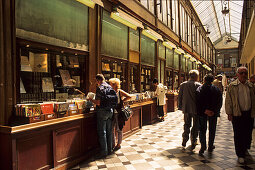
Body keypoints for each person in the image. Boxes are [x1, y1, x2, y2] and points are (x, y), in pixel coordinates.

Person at [225, 67, 255, 164]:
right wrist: (229, 113)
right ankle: (240, 154)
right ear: (237, 74)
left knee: (248, 133)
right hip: (237, 113)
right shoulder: (232, 86)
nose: (243, 75)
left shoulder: (251, 86)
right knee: (238, 134)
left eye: (245, 73)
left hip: (249, 113)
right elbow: (228, 100)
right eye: (241, 73)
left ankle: (245, 148)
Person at [89, 74, 118, 158]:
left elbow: (98, 102)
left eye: (96, 82)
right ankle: (110, 149)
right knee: (109, 131)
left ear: (98, 81)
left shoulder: (100, 88)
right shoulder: (109, 86)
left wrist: (91, 99)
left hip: (102, 112)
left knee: (102, 132)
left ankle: (104, 152)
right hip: (110, 111)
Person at [196, 74, 223, 155]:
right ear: (212, 80)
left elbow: (197, 102)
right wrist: (214, 111)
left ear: (204, 80)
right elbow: (220, 102)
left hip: (202, 113)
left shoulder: (200, 89)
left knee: (202, 130)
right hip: (213, 113)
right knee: (212, 129)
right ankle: (210, 146)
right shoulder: (216, 89)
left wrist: (204, 110)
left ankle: (203, 146)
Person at [178, 70, 201, 150]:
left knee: (187, 124)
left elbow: (180, 97)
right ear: (195, 76)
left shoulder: (183, 85)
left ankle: (184, 139)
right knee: (195, 125)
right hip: (196, 109)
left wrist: (180, 106)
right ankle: (193, 140)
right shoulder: (198, 85)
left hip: (186, 108)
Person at [109, 78, 131, 151]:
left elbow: (129, 96)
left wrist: (122, 101)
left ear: (115, 85)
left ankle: (118, 144)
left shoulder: (119, 92)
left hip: (119, 113)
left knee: (119, 129)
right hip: (112, 113)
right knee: (111, 129)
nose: (109, 85)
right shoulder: (110, 92)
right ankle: (113, 144)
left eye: (111, 84)